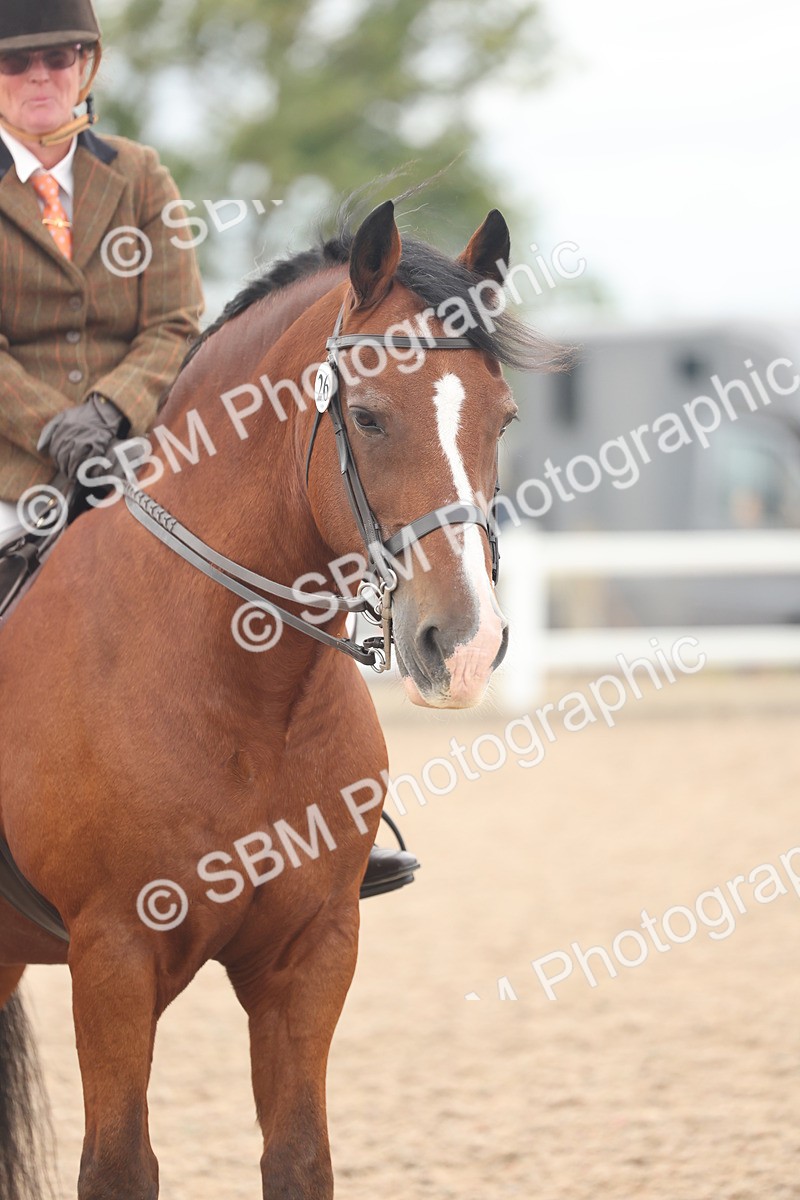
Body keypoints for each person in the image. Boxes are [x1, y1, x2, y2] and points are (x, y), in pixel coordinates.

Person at [0, 0, 418, 899]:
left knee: (268, 580)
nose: (39, 77)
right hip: (10, 459)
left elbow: (175, 320)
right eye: (17, 62)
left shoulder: (141, 177)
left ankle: (334, 814)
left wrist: (109, 412)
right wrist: (50, 423)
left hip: (134, 453)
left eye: (59, 57)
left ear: (88, 65)